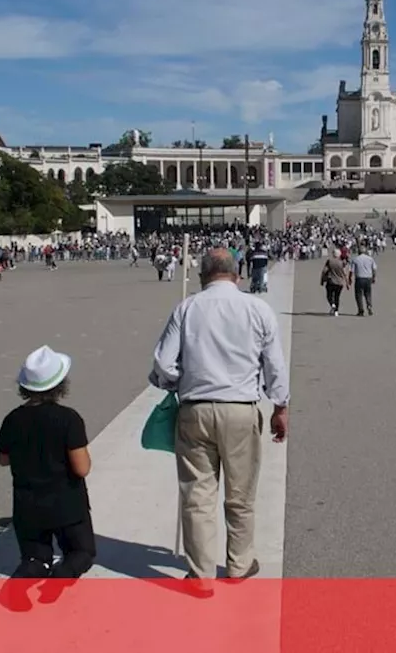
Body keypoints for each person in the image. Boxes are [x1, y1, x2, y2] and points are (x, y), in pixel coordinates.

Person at [149, 248, 289, 598]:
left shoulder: (187, 307)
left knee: (198, 495)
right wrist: (280, 406)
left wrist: (176, 383)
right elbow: (274, 366)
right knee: (240, 495)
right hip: (241, 407)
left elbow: (163, 365)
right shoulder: (257, 308)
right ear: (236, 274)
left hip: (195, 408)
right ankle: (240, 564)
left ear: (202, 276)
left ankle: (200, 573)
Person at [0, 345, 95, 580]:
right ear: (60, 385)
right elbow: (82, 468)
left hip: (27, 505)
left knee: (35, 558)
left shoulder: (13, 419)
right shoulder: (68, 419)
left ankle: (30, 570)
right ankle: (65, 571)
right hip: (67, 503)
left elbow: (3, 459)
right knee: (81, 552)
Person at [348, 246, 377, 316]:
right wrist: (374, 277)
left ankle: (361, 310)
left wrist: (350, 278)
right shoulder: (370, 259)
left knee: (358, 295)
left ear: (359, 252)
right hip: (368, 278)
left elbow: (351, 270)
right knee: (368, 293)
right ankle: (369, 305)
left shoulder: (355, 259)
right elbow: (374, 269)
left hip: (359, 278)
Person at [321, 249, 348, 316]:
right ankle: (336, 311)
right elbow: (345, 273)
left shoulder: (330, 261)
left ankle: (332, 304)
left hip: (331, 281)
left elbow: (324, 271)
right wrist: (347, 282)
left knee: (329, 295)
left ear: (333, 254)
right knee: (337, 297)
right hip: (340, 282)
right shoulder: (342, 262)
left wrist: (322, 280)